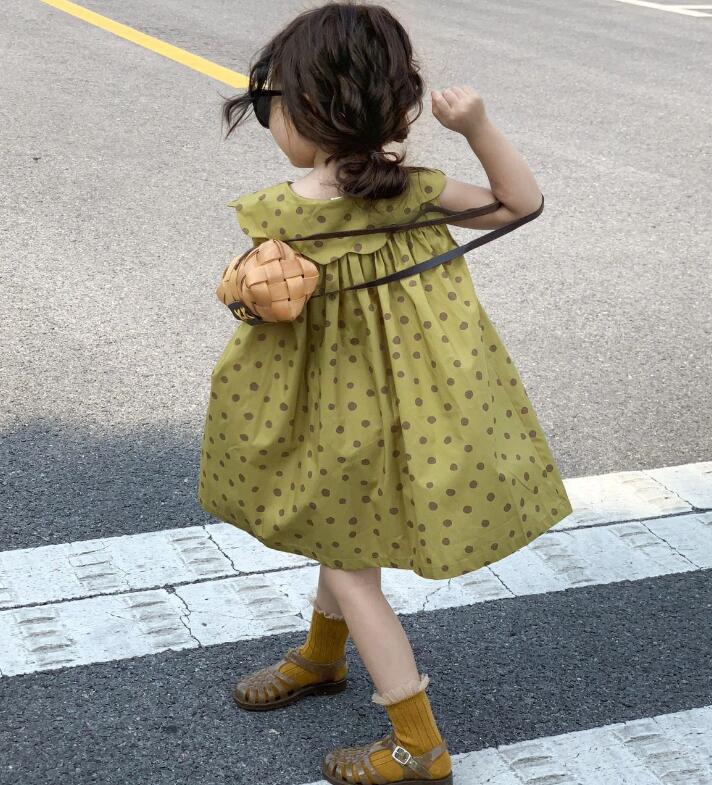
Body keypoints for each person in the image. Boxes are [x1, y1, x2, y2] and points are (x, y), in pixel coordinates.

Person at [198, 3, 573, 783]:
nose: (269, 121)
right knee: (339, 531)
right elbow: (521, 202)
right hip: (414, 399)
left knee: (348, 562)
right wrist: (476, 127)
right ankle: (321, 655)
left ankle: (418, 742)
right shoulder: (412, 189)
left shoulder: (287, 207)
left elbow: (263, 299)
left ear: (309, 107)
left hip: (332, 406)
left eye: (269, 105)